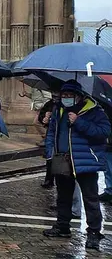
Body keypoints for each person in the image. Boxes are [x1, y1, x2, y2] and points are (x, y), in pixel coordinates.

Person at [43, 80, 110, 250]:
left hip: (85, 161)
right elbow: (52, 132)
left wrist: (79, 122)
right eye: (64, 95)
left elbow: (103, 133)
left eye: (69, 95)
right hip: (62, 159)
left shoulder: (94, 111)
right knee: (63, 197)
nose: (65, 98)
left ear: (78, 96)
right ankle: (62, 226)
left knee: (90, 199)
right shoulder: (58, 110)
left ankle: (94, 232)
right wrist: (50, 150)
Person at [37, 91, 61, 188]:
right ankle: (49, 180)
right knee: (50, 158)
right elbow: (41, 117)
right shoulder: (50, 104)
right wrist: (45, 118)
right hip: (51, 136)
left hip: (62, 138)